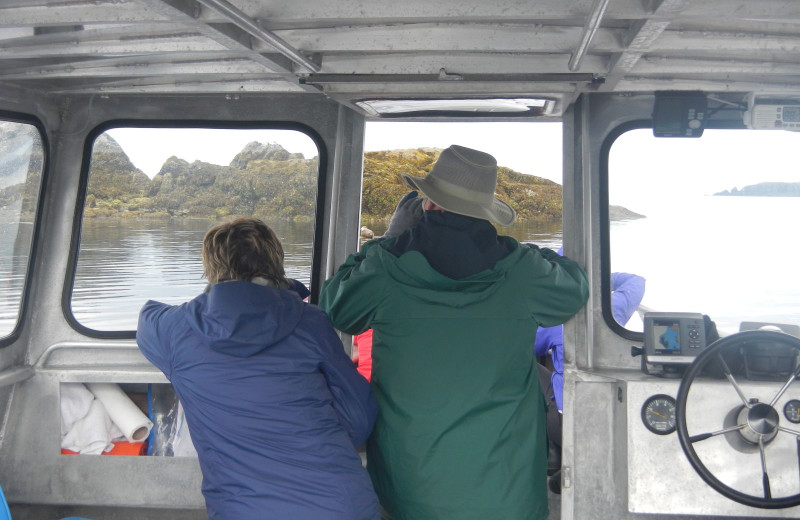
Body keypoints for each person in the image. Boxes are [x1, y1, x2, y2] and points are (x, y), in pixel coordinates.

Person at [319, 145, 589, 520]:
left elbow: (336, 307)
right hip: (507, 494)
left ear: (428, 203)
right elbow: (575, 287)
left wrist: (384, 241)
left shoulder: (385, 267)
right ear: (484, 211)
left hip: (410, 491)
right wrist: (521, 250)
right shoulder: (521, 270)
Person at [136, 217, 380, 520]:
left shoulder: (174, 330)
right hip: (342, 503)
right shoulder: (311, 322)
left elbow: (148, 315)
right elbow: (358, 416)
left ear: (211, 269)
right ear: (276, 263)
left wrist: (217, 296)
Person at [535, 266, 645, 493]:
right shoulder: (614, 309)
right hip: (608, 422)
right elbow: (637, 281)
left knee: (529, 368)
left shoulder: (553, 317)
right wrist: (598, 279)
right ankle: (574, 460)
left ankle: (553, 455)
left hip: (564, 426)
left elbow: (523, 346)